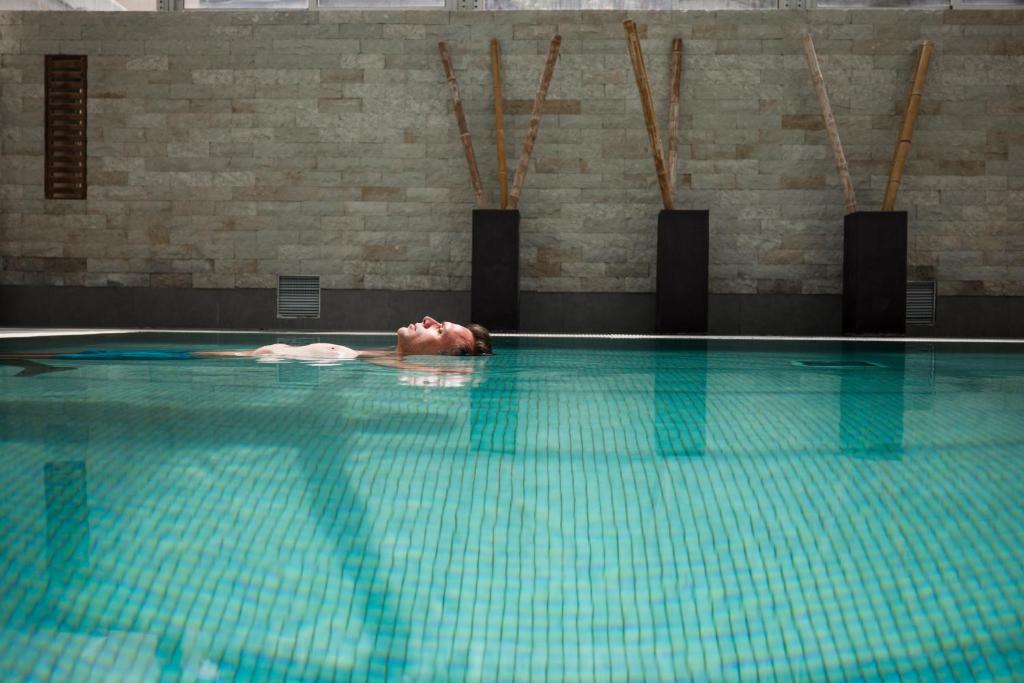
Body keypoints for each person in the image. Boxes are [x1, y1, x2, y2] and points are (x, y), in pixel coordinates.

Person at [0, 316, 492, 376]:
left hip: (220, 365)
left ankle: (39, 363)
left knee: (102, 359)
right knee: (89, 357)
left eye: (440, 328)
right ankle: (41, 363)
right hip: (222, 359)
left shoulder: (407, 372)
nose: (428, 319)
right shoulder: (388, 361)